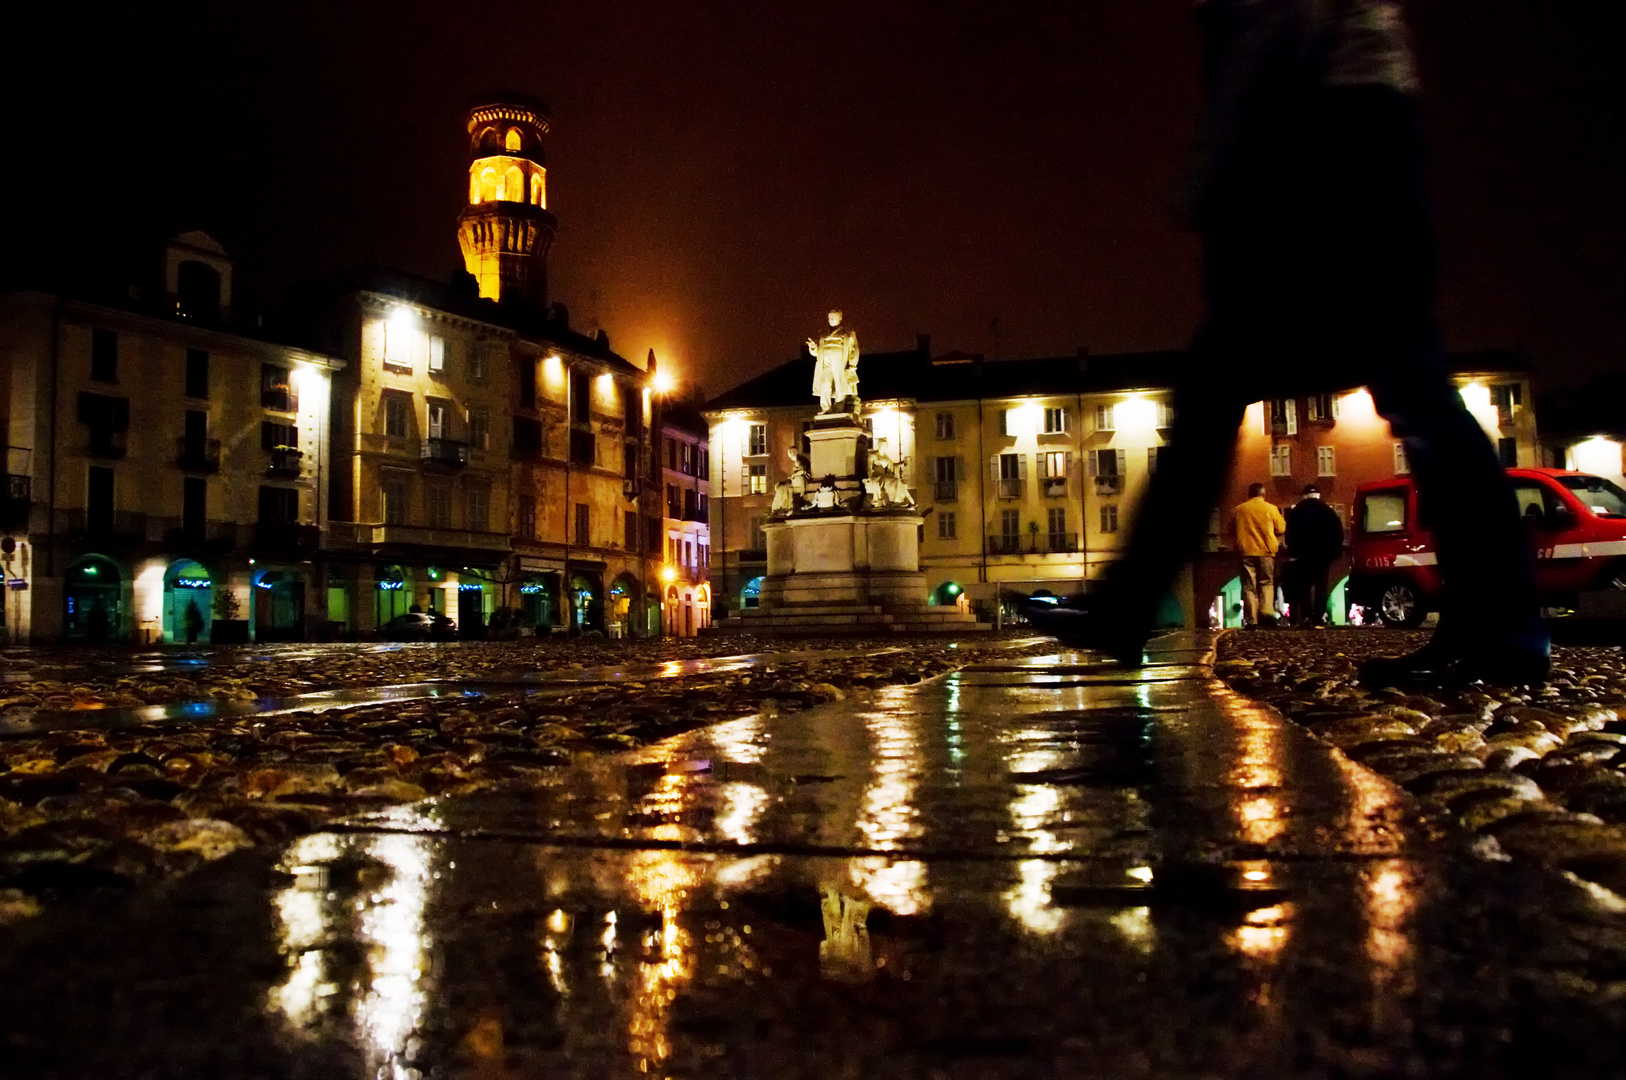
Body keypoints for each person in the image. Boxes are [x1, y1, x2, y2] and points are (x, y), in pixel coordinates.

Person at [1025, 0, 1546, 687]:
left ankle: (1502, 627)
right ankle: (1501, 624)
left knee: (1256, 380)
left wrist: (1210, 174)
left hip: (1331, 138)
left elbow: (1271, 31)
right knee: (1383, 383)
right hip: (1347, 131)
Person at [1285, 484, 1344, 626]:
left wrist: (1292, 551)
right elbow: (1338, 532)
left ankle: (1306, 616)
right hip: (1323, 555)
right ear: (1318, 494)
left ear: (1304, 495)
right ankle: (1318, 615)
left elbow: (1290, 534)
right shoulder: (1327, 510)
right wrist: (1334, 551)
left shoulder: (1296, 510)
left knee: (1304, 585)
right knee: (1321, 585)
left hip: (1303, 554)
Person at [1232, 483, 1286, 627]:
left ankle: (1252, 620)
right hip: (1266, 551)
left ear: (1249, 494)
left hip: (1246, 551)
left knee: (1249, 586)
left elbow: (1231, 529)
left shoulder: (1239, 510)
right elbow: (1281, 528)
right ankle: (1266, 614)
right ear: (1263, 494)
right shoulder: (1271, 509)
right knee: (1266, 583)